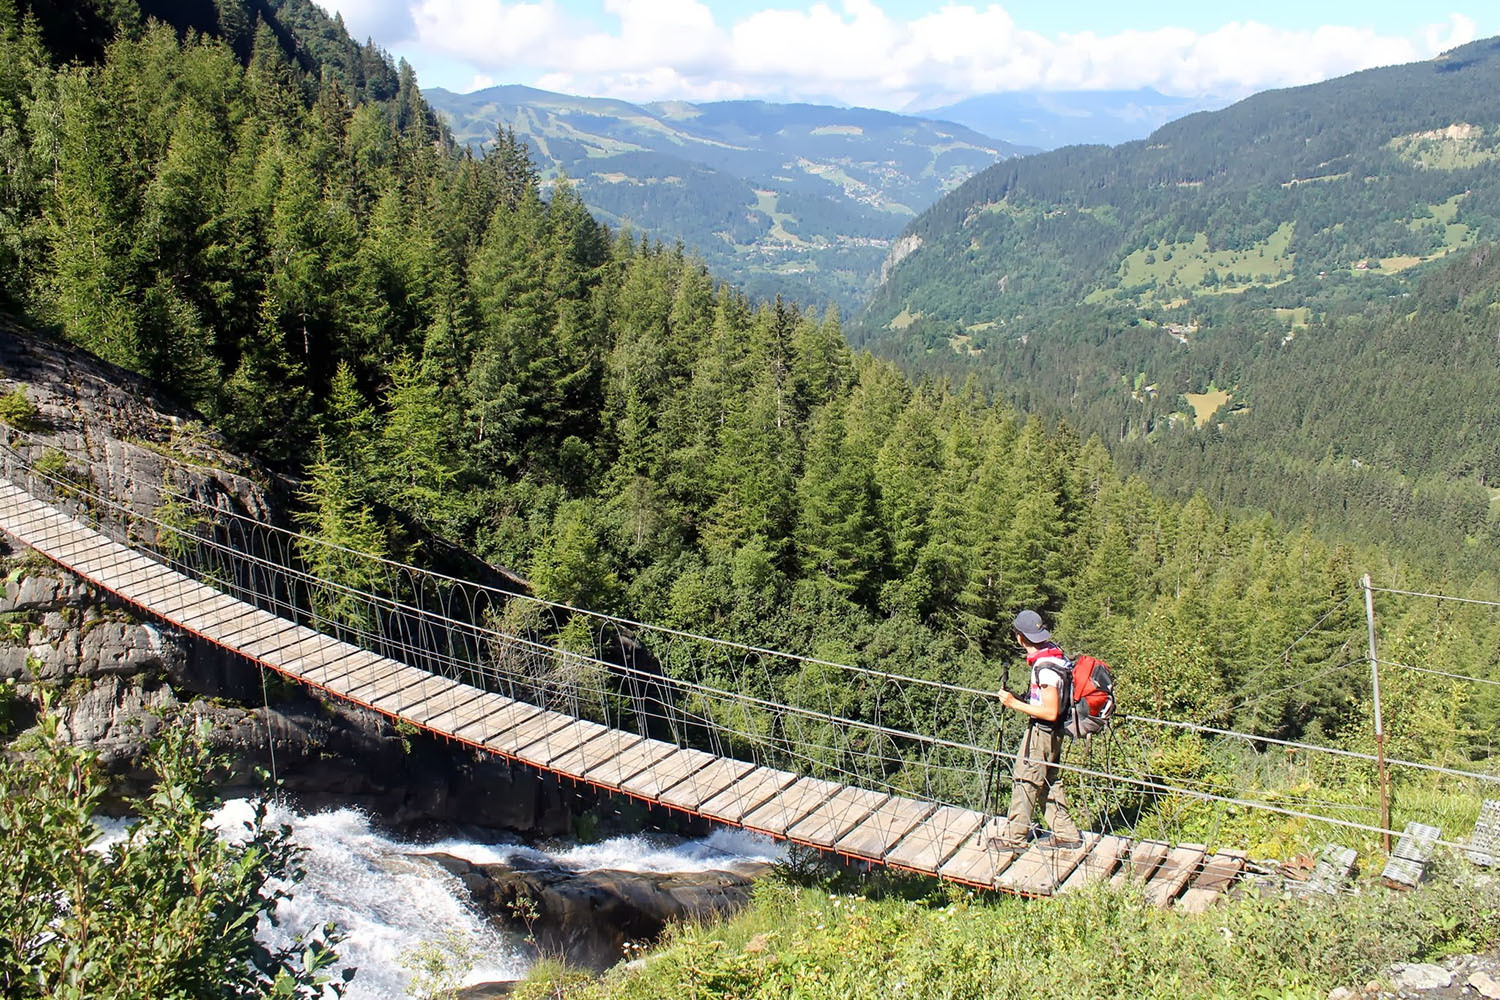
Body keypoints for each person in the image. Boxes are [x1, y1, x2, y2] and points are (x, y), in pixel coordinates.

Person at [988, 609, 1083, 853]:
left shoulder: (1045, 667)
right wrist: (1023, 700)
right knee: (1048, 781)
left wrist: (1013, 703)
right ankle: (1066, 833)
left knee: (1025, 779)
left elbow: (1050, 711)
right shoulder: (1055, 654)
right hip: (1054, 732)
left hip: (1043, 731)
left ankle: (1014, 838)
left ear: (1020, 637)